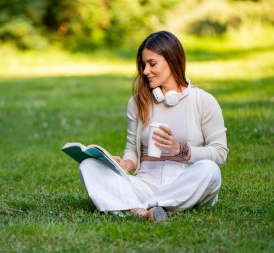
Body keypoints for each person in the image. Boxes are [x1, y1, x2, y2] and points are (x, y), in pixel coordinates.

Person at [78, 31, 228, 222]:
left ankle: (133, 206)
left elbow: (220, 153)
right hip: (145, 182)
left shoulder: (203, 101)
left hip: (184, 181)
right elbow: (132, 148)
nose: (145, 71)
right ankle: (147, 211)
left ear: (172, 60)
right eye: (143, 65)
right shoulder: (137, 102)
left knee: (210, 170)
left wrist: (182, 151)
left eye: (152, 63)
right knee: (88, 165)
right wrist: (126, 164)